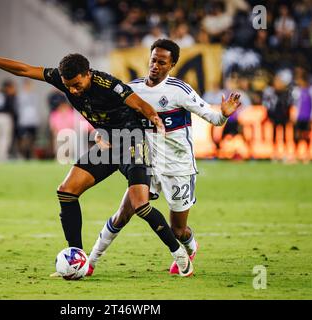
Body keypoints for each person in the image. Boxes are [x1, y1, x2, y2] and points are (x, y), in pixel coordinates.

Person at [0, 44, 196, 276]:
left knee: (140, 206)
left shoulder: (108, 85)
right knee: (66, 191)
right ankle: (77, 257)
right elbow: (25, 69)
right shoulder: (63, 78)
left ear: (88, 75)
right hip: (108, 144)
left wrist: (155, 118)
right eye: (68, 86)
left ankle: (179, 254)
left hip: (132, 142)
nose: (72, 90)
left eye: (77, 84)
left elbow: (140, 105)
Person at [87, 39, 241, 276]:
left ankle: (190, 247)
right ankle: (91, 261)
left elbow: (213, 118)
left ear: (172, 65)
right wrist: (100, 132)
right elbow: (111, 118)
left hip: (178, 168)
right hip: (145, 164)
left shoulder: (180, 91)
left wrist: (224, 115)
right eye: (153, 60)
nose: (155, 65)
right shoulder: (132, 89)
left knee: (178, 230)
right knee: (123, 214)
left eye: (162, 62)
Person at [292, 68, 312, 163]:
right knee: (297, 136)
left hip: (308, 117)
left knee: (307, 136)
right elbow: (295, 104)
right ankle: (296, 155)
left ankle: (307, 155)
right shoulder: (297, 90)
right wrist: (294, 115)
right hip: (299, 117)